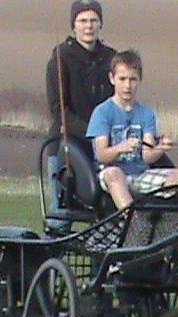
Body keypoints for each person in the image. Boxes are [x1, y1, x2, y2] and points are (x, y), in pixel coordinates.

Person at [86, 50, 178, 210]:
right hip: (112, 174)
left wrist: (160, 148)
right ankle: (131, 221)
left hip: (141, 174)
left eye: (132, 79)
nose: (127, 85)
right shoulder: (102, 112)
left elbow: (148, 156)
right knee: (114, 174)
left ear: (139, 80)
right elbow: (101, 155)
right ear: (112, 79)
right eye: (122, 79)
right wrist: (121, 147)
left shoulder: (147, 114)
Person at [45, 0, 115, 218]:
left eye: (94, 20)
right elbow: (59, 110)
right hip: (67, 145)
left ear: (100, 24)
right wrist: (93, 133)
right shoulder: (61, 58)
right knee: (61, 218)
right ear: (73, 26)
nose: (88, 26)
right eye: (83, 21)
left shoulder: (111, 58)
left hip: (105, 148)